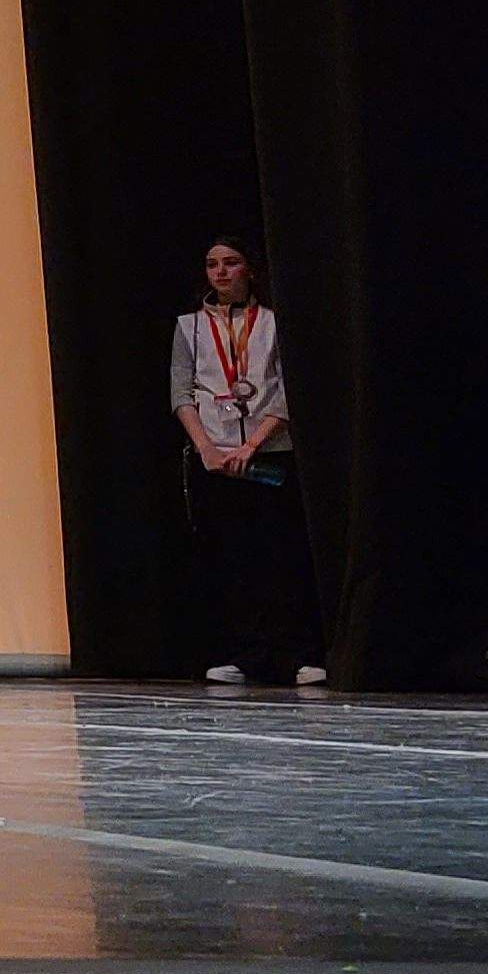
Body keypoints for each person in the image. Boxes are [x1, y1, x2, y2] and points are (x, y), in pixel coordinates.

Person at [172, 235, 321, 688]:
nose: (220, 272)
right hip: (215, 459)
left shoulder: (274, 322)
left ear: (249, 269)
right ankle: (244, 653)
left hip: (269, 454)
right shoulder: (190, 326)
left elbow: (284, 391)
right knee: (231, 561)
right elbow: (181, 391)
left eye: (231, 263)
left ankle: (294, 654)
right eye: (212, 263)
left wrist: (251, 445)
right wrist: (207, 448)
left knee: (280, 557)